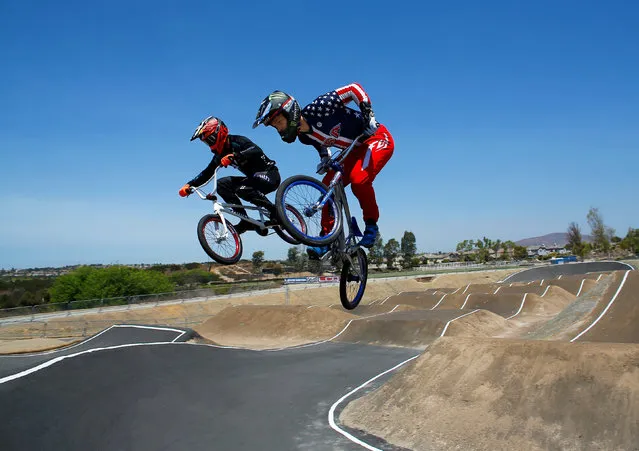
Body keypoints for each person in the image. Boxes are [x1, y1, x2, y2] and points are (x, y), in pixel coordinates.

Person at [252, 83, 394, 258]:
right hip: (352, 151)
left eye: (279, 122)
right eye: (276, 127)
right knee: (327, 187)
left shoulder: (319, 108)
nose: (279, 129)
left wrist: (368, 114)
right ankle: (327, 238)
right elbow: (321, 144)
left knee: (359, 179)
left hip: (376, 137)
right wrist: (325, 159)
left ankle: (371, 224)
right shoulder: (304, 137)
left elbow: (353, 89)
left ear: (290, 112)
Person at [179, 116, 281, 235]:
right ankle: (245, 221)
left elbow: (256, 150)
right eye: (207, 142)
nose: (210, 144)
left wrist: (236, 155)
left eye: (210, 139)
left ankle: (275, 211)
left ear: (220, 132)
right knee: (222, 184)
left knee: (242, 190)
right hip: (253, 180)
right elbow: (207, 173)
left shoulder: (237, 141)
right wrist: (189, 185)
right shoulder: (220, 155)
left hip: (269, 174)